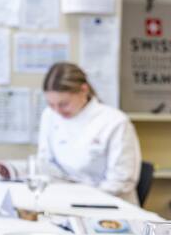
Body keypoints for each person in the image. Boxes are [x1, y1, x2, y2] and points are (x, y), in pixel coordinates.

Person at [35, 62, 141, 204]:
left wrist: (82, 200)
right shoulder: (50, 116)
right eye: (51, 104)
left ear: (84, 90)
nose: (57, 111)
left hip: (109, 205)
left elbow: (121, 181)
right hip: (65, 199)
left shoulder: (115, 122)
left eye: (64, 104)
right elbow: (45, 163)